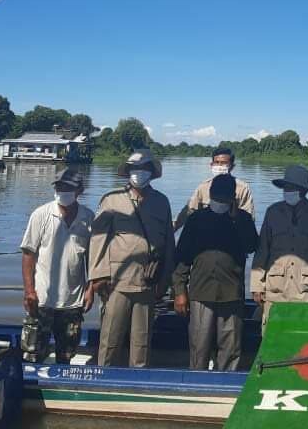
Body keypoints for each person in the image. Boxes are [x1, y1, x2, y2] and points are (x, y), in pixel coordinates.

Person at [89, 148, 175, 367]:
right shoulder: (112, 200)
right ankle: (103, 379)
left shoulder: (161, 202)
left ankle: (137, 379)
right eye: (135, 168)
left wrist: (164, 281)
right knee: (110, 339)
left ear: (151, 172)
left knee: (142, 341)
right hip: (116, 282)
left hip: (148, 282)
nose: (139, 172)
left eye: (143, 168)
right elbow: (98, 240)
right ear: (128, 171)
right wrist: (98, 276)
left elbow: (168, 245)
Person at [173, 174, 259, 371]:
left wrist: (238, 220)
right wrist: (179, 291)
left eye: (224, 198)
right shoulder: (196, 219)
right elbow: (182, 258)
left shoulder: (243, 219)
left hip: (232, 294)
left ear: (232, 198)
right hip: (201, 293)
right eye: (216, 197)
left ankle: (226, 385)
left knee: (231, 348)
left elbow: (252, 246)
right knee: (199, 347)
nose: (220, 202)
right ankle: (196, 385)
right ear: (210, 195)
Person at [20, 169, 95, 364]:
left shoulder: (88, 218)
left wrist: (90, 289)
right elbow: (28, 254)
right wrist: (29, 291)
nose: (63, 191)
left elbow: (91, 258)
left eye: (68, 187)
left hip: (73, 301)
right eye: (59, 187)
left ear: (80, 190)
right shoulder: (41, 214)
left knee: (67, 355)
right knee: (32, 353)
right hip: (42, 299)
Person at [250, 164, 308, 328]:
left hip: (306, 290)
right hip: (275, 289)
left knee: (303, 338)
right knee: (272, 336)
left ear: (304, 190)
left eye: (293, 187)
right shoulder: (272, 212)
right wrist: (257, 285)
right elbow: (262, 249)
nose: (288, 190)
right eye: (286, 187)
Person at [174, 147, 255, 231]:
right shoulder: (203, 187)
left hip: (232, 235)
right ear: (211, 165)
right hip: (207, 233)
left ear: (232, 166)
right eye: (216, 162)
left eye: (224, 163)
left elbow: (249, 218)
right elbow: (189, 211)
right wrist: (172, 228)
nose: (219, 166)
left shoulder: (242, 188)